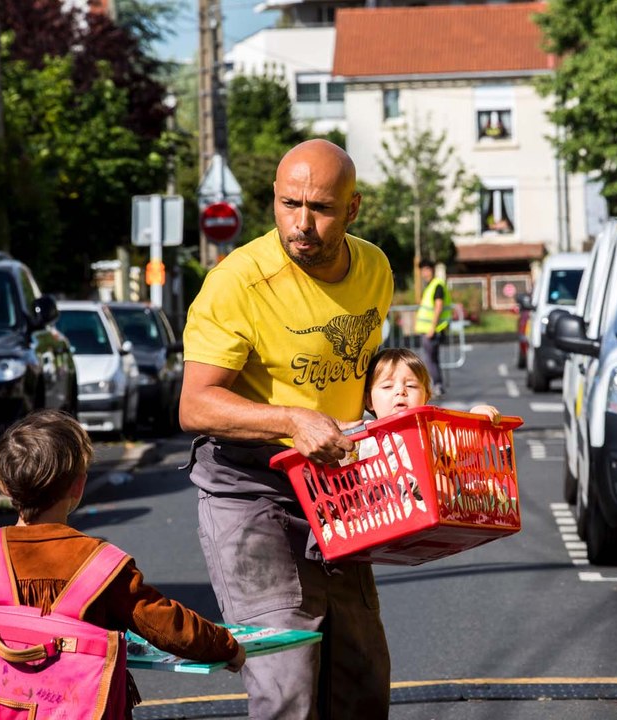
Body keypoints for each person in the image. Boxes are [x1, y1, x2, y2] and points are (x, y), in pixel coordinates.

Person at [180, 138, 394, 719]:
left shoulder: (374, 267)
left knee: (361, 680)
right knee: (288, 680)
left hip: (341, 492)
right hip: (252, 491)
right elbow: (196, 406)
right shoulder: (238, 282)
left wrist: (401, 403)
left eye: (320, 208)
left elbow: (360, 373)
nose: (301, 224)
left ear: (351, 210)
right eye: (288, 204)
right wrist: (289, 420)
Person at [0, 410, 245, 717]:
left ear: (4, 485)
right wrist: (226, 646)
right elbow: (167, 624)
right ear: (79, 486)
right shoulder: (102, 567)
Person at [364, 347, 499, 422]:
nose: (401, 391)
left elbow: (461, 443)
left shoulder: (433, 432)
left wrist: (476, 419)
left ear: (426, 397)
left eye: (411, 386)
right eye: (387, 386)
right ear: (369, 400)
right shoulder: (362, 441)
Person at [413, 259, 452, 396]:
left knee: (431, 360)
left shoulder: (437, 286)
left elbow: (438, 307)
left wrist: (432, 328)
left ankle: (437, 386)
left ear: (432, 270)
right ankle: (437, 385)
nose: (424, 273)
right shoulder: (430, 286)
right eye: (422, 270)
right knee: (432, 359)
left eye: (426, 269)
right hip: (428, 329)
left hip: (432, 330)